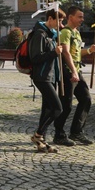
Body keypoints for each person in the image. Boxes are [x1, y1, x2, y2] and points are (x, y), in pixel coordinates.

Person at [54, 5, 95, 146]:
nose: (82, 19)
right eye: (79, 16)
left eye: (82, 17)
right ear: (70, 17)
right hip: (68, 72)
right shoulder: (65, 33)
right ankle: (59, 135)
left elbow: (77, 52)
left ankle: (76, 132)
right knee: (66, 105)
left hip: (76, 70)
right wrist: (73, 71)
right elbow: (66, 53)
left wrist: (90, 51)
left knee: (86, 99)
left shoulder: (77, 33)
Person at [29, 8, 66, 153]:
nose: (60, 24)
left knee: (47, 109)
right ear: (50, 19)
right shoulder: (39, 34)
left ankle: (41, 142)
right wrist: (54, 53)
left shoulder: (51, 34)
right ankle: (38, 135)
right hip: (42, 77)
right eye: (59, 21)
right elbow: (36, 57)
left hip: (50, 76)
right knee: (58, 108)